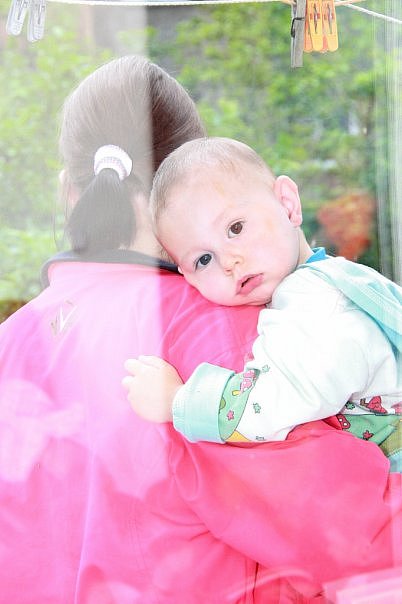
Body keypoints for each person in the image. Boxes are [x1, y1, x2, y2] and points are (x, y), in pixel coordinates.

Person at [0, 59, 401, 604]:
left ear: (68, 190)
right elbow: (356, 538)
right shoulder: (215, 335)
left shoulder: (12, 341)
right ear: (188, 174)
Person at [124, 136, 402, 471]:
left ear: (287, 204)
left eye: (235, 228)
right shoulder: (341, 277)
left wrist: (177, 400)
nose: (229, 261)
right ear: (188, 277)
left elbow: (277, 400)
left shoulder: (316, 300)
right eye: (204, 259)